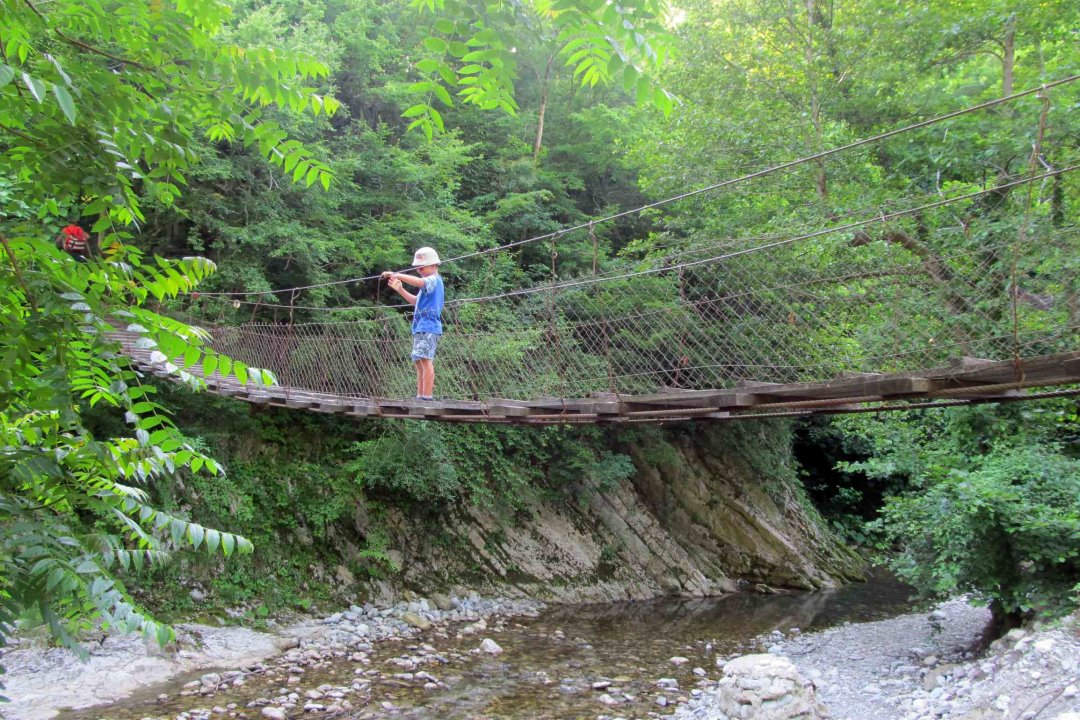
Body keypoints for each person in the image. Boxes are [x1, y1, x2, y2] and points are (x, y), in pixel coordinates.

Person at [383, 247, 444, 401]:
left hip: (429, 325)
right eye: (418, 268)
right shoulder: (428, 284)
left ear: (434, 265)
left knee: (425, 360)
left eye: (422, 267)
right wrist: (400, 289)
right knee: (418, 361)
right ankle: (420, 395)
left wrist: (397, 275)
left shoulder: (434, 280)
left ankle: (427, 397)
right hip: (420, 326)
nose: (419, 270)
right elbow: (416, 302)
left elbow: (419, 282)